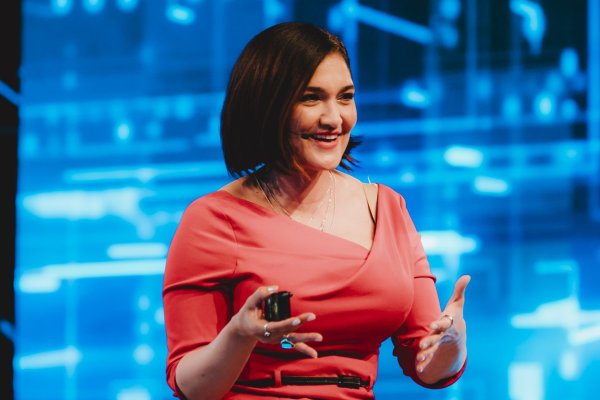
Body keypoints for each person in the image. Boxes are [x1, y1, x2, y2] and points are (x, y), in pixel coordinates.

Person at [162, 21, 470, 400]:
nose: (333, 119)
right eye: (311, 98)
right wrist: (239, 335)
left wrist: (452, 346)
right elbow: (191, 385)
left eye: (345, 97)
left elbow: (426, 365)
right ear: (267, 106)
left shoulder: (388, 208)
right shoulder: (212, 221)